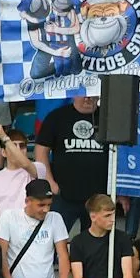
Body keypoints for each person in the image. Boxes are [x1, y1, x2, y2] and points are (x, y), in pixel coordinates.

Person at [33, 94, 105, 234]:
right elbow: (41, 150)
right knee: (53, 241)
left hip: (99, 197)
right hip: (63, 195)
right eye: (84, 95)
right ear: (74, 94)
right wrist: (49, 181)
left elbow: (121, 152)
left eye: (91, 95)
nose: (88, 99)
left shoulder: (107, 117)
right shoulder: (57, 117)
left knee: (95, 245)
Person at [0, 177, 72, 278]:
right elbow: (1, 254)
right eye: (41, 205)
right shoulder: (9, 217)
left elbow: (63, 254)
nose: (46, 209)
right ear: (27, 201)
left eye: (49, 205)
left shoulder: (55, 218)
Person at [69, 193, 135, 278]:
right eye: (107, 216)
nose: (112, 219)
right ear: (93, 216)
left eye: (113, 214)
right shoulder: (78, 241)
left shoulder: (122, 238)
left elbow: (128, 275)